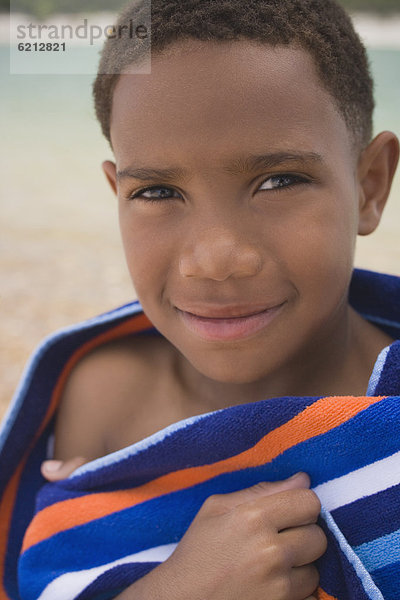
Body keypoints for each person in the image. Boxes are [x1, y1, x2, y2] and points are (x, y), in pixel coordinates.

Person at [1, 1, 399, 599]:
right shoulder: (100, 394)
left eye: (279, 180)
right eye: (158, 190)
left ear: (369, 186)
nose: (214, 258)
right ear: (117, 193)